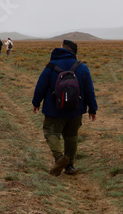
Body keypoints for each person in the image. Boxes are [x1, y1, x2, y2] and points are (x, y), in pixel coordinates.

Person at [31, 40, 97, 176]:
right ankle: (70, 166)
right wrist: (92, 109)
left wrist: (36, 102)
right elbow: (89, 90)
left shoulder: (51, 66)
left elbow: (41, 86)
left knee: (51, 133)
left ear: (63, 48)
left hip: (54, 110)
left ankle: (59, 158)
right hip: (75, 110)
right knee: (71, 136)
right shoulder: (82, 67)